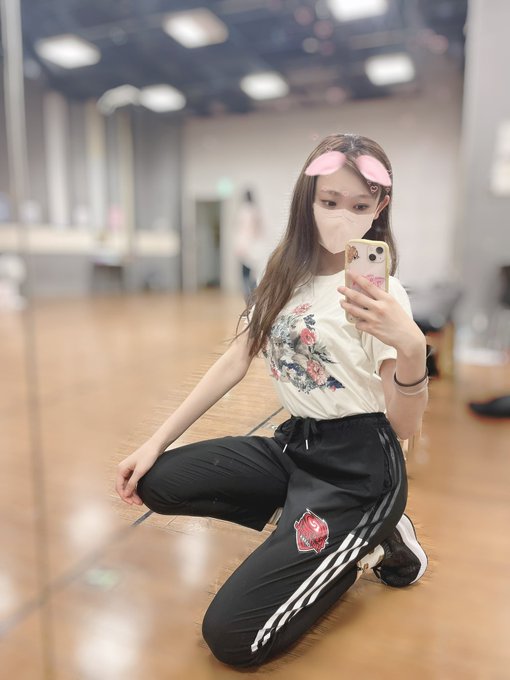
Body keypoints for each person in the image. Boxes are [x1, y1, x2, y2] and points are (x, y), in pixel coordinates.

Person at [115, 133, 429, 668]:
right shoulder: (284, 272)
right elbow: (236, 358)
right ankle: (318, 526)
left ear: (380, 208)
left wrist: (412, 348)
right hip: (295, 445)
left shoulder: (382, 294)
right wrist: (154, 442)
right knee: (157, 481)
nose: (342, 216)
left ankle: (368, 540)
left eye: (359, 206)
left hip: (359, 470)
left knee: (235, 639)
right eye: (329, 201)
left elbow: (400, 425)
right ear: (307, 199)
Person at [233, 188, 264, 302]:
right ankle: (253, 294)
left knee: (245, 273)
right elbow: (260, 229)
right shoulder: (256, 210)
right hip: (253, 245)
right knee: (253, 273)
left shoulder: (243, 210)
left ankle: (248, 295)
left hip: (244, 245)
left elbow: (240, 229)